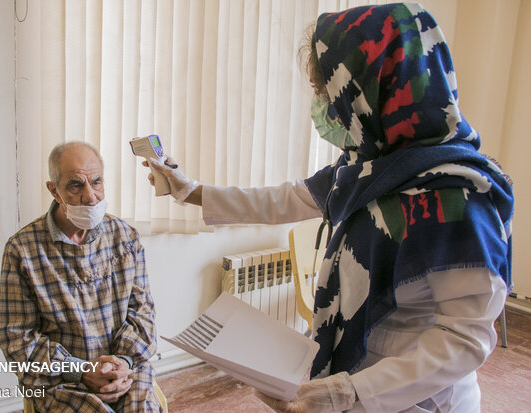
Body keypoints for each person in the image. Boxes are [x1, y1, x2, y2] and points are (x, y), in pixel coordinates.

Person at [145, 3, 514, 412]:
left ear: (371, 90)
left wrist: (353, 393)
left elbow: (465, 338)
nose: (323, 107)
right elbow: (287, 198)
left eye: (325, 92)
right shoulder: (366, 166)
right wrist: (190, 191)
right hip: (353, 376)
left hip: (417, 397)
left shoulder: (456, 195)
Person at [0, 141, 161, 412]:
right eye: (75, 185)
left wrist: (122, 363)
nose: (90, 196)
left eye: (96, 182)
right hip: (59, 379)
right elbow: (17, 338)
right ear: (54, 190)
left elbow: (142, 313)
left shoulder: (125, 237)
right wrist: (83, 371)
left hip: (124, 369)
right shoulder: (23, 250)